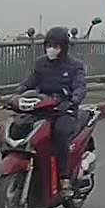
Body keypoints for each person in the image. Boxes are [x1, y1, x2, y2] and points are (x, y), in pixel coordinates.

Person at [16, 27, 85, 199]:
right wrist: (17, 93)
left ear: (64, 48)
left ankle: (65, 178)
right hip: (42, 108)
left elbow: (79, 86)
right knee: (20, 125)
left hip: (64, 111)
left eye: (56, 46)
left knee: (60, 133)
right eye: (49, 45)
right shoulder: (41, 64)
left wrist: (74, 99)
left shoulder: (75, 66)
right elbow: (29, 82)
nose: (51, 49)